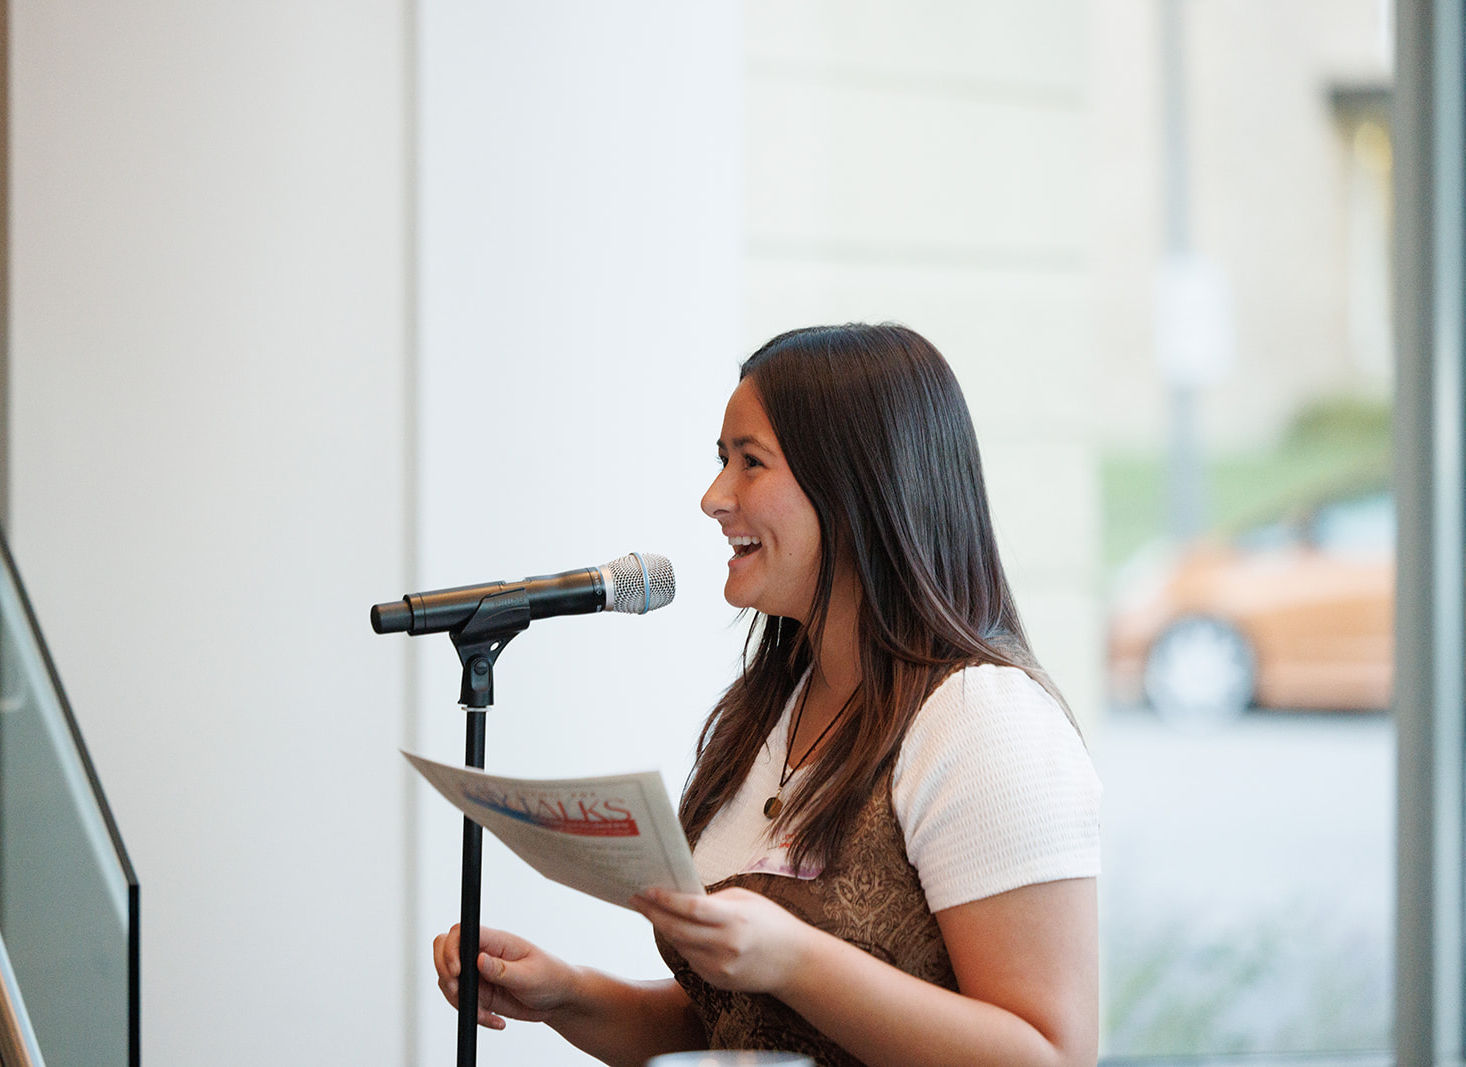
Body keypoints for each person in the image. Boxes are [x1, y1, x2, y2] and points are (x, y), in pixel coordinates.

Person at [433, 323, 1102, 1067]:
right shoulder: (764, 716)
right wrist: (570, 993)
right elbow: (740, 1027)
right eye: (723, 461)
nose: (714, 498)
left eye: (751, 463)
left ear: (857, 484)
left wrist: (796, 958)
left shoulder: (983, 719)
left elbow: (1050, 1055)